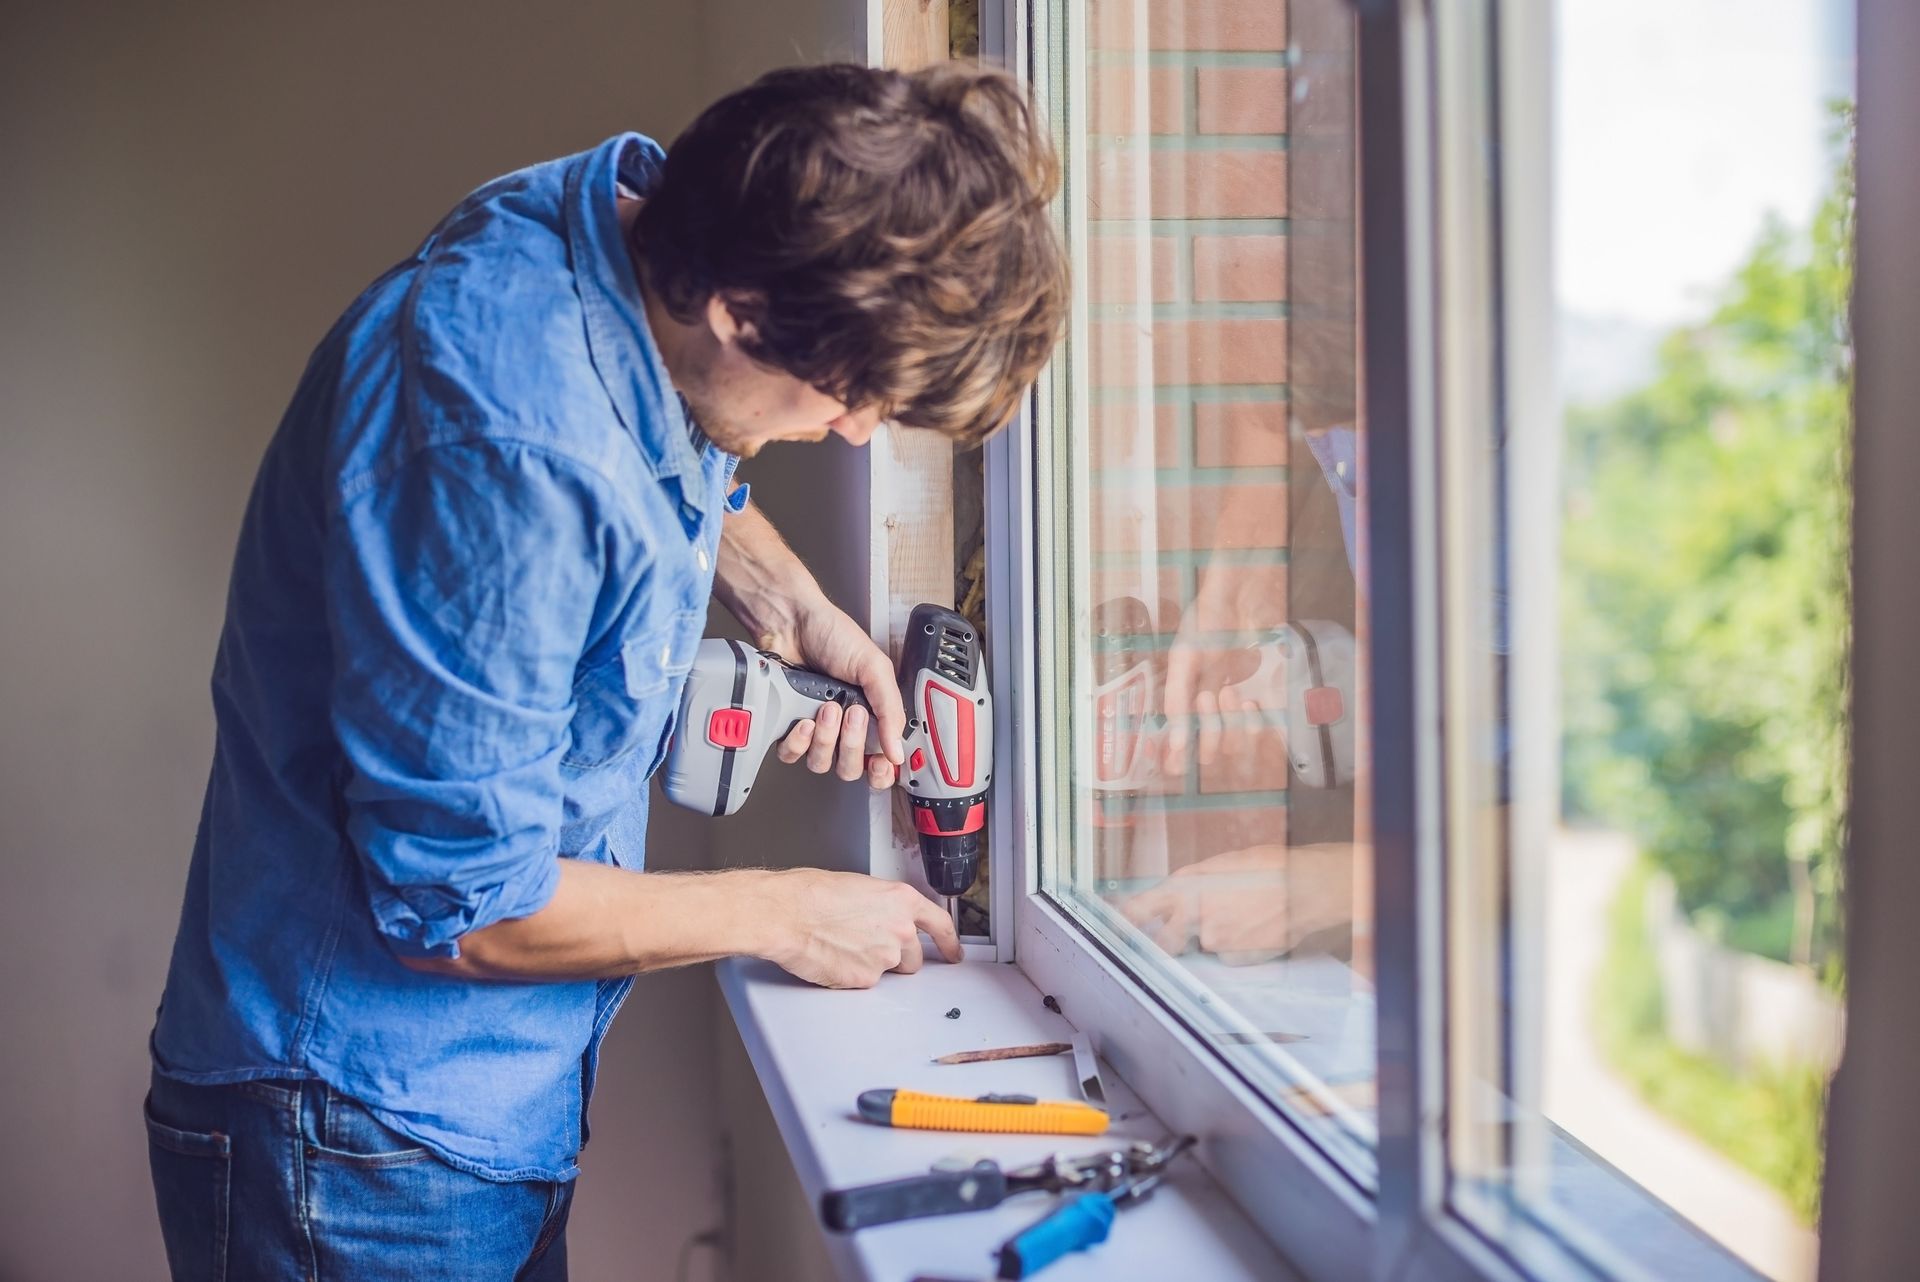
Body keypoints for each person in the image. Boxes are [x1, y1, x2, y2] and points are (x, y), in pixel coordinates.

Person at [144, 62, 1066, 1281]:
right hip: (361, 1146)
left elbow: (643, 428)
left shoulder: (616, 237)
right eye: (850, 394)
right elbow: (463, 902)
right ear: (740, 310)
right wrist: (786, 909)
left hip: (471, 1108)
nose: (853, 431)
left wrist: (791, 603)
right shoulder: (499, 434)